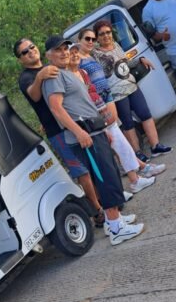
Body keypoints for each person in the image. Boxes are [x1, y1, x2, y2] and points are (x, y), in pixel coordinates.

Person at [41, 35, 145, 245]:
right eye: (57, 50)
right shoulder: (53, 77)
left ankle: (112, 219)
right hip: (84, 135)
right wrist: (79, 132)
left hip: (94, 131)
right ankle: (116, 229)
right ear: (48, 55)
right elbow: (56, 108)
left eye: (65, 48)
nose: (63, 52)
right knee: (105, 178)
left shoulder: (65, 73)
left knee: (111, 174)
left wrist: (100, 128)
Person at [15, 36, 106, 226]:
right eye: (25, 51)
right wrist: (40, 77)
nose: (30, 51)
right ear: (20, 59)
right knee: (81, 171)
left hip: (75, 123)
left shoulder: (54, 65)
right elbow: (34, 95)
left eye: (32, 46)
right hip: (57, 131)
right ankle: (97, 211)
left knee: (92, 163)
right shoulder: (26, 78)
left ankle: (107, 201)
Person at [67, 43, 162, 195]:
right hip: (90, 119)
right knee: (114, 147)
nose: (74, 55)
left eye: (75, 52)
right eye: (70, 53)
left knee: (119, 143)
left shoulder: (82, 71)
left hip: (101, 109)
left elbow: (92, 91)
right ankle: (135, 177)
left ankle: (136, 175)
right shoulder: (68, 77)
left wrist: (103, 107)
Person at [88, 21, 173, 162]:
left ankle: (155, 146)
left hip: (132, 85)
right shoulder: (95, 54)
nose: (106, 36)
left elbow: (125, 63)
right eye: (101, 34)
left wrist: (140, 59)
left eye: (108, 32)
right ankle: (137, 153)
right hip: (116, 93)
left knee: (145, 114)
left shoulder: (116, 45)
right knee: (128, 123)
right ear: (97, 37)